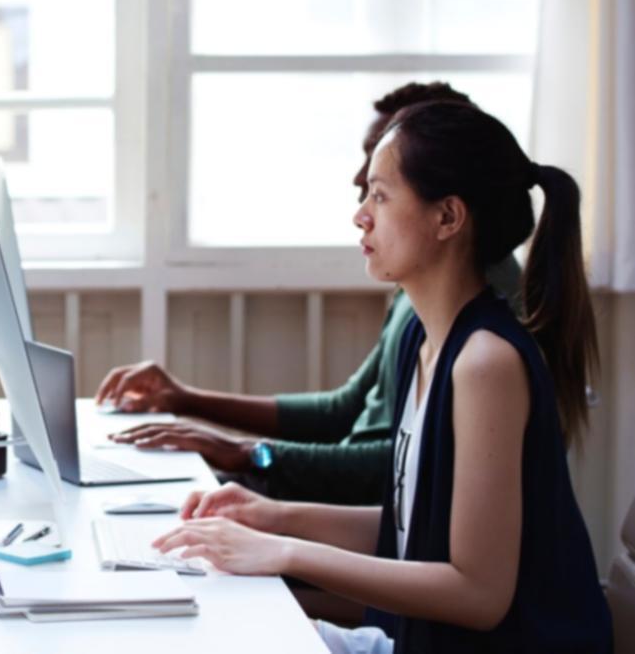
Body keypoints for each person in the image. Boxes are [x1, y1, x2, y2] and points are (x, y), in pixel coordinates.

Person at [151, 100, 612, 653]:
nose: (360, 214)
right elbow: (411, 529)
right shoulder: (421, 339)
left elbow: (479, 595)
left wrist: (285, 550)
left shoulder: (486, 363)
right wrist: (273, 516)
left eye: (381, 195)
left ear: (447, 218)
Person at [94, 82, 518, 504]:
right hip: (363, 515)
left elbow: (416, 473)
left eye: (380, 174)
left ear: (448, 212)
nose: (358, 185)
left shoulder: (478, 332)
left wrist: (249, 455)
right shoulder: (416, 304)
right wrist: (187, 401)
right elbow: (347, 411)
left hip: (364, 511)